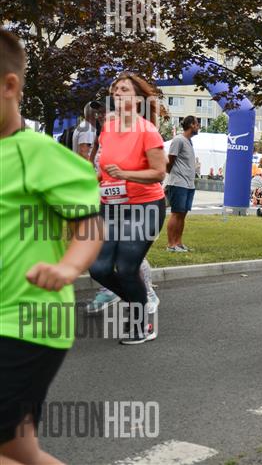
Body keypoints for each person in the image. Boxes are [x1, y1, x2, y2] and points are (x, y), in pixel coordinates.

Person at [0, 28, 103, 465]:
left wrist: (68, 267)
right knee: (18, 451)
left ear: (9, 86)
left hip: (27, 321)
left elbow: (89, 225)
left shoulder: (37, 153)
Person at [87, 72, 168, 344]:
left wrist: (125, 174)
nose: (118, 94)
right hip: (111, 207)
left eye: (125, 90)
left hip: (144, 207)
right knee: (98, 268)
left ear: (138, 99)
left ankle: (140, 325)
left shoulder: (147, 130)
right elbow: (103, 168)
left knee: (126, 267)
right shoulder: (108, 128)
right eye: (115, 90)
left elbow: (159, 173)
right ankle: (140, 301)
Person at [165, 115, 198, 252]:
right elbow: (170, 160)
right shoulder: (178, 140)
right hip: (178, 183)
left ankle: (178, 243)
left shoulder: (189, 141)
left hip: (189, 184)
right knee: (176, 213)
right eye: (197, 124)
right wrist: (171, 175)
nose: (198, 127)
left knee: (182, 214)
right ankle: (171, 245)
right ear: (191, 125)